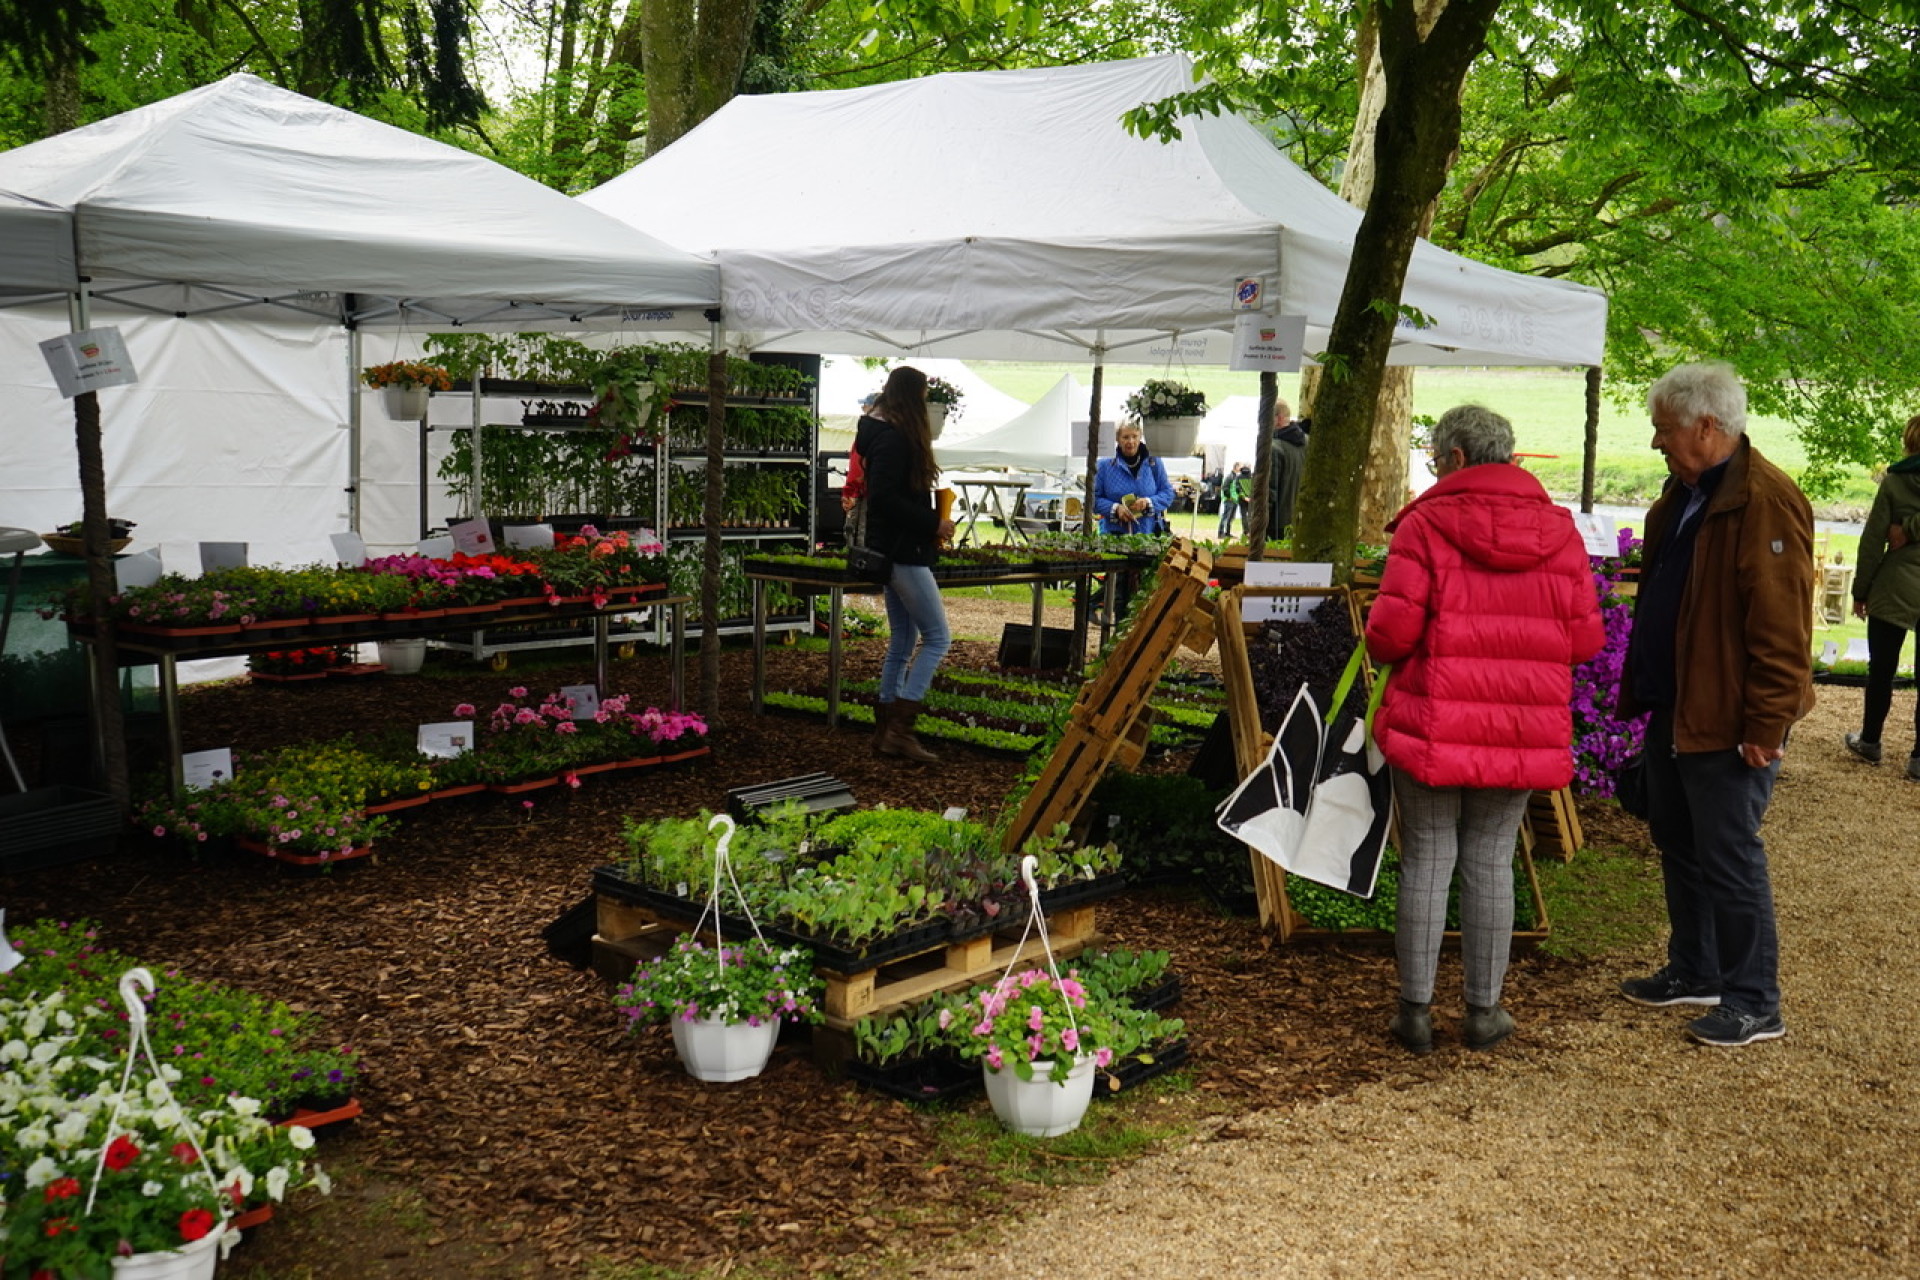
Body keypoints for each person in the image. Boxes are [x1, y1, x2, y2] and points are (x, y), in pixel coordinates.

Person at [1364, 405, 1604, 1055]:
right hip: (1520, 727)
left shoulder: (1424, 526)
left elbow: (1389, 636)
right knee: (1492, 859)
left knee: (1428, 857)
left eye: (1436, 458)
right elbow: (1586, 639)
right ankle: (1484, 1011)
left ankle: (1415, 1013)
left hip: (1433, 722)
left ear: (1457, 458)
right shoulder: (1560, 531)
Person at [1616, 361, 1813, 1048]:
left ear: (1706, 426)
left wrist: (1767, 724)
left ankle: (1754, 1001)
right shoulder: (1686, 494)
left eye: (1664, 429)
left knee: (1729, 855)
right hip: (1679, 703)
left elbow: (1783, 629)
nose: (1656, 442)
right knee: (1677, 839)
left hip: (1727, 715)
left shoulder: (1764, 501)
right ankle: (1695, 969)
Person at [854, 367, 956, 765]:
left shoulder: (882, 432)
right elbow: (885, 498)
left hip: (892, 549)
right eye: (925, 396)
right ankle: (900, 729)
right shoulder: (894, 439)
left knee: (903, 639)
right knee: (938, 638)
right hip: (903, 551)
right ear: (912, 397)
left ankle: (885, 730)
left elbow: (883, 495)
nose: (928, 404)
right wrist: (933, 523)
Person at [1845, 415, 1920, 779]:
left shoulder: (1894, 481)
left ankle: (1871, 741)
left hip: (1894, 585)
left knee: (1882, 671)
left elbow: (1873, 541)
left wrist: (1861, 591)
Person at [1270, 401, 1309, 540]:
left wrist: (1255, 526)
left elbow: (1267, 492)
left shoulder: (1273, 448)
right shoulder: (1309, 443)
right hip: (1302, 522)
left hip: (1276, 526)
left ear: (1278, 418)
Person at [1217, 463, 1249, 539]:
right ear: (1236, 467)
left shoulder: (1235, 477)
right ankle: (1220, 533)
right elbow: (1225, 488)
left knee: (1231, 518)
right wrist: (1229, 497)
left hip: (1235, 500)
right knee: (1225, 517)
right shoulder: (1230, 477)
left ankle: (1227, 533)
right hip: (1229, 500)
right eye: (1240, 466)